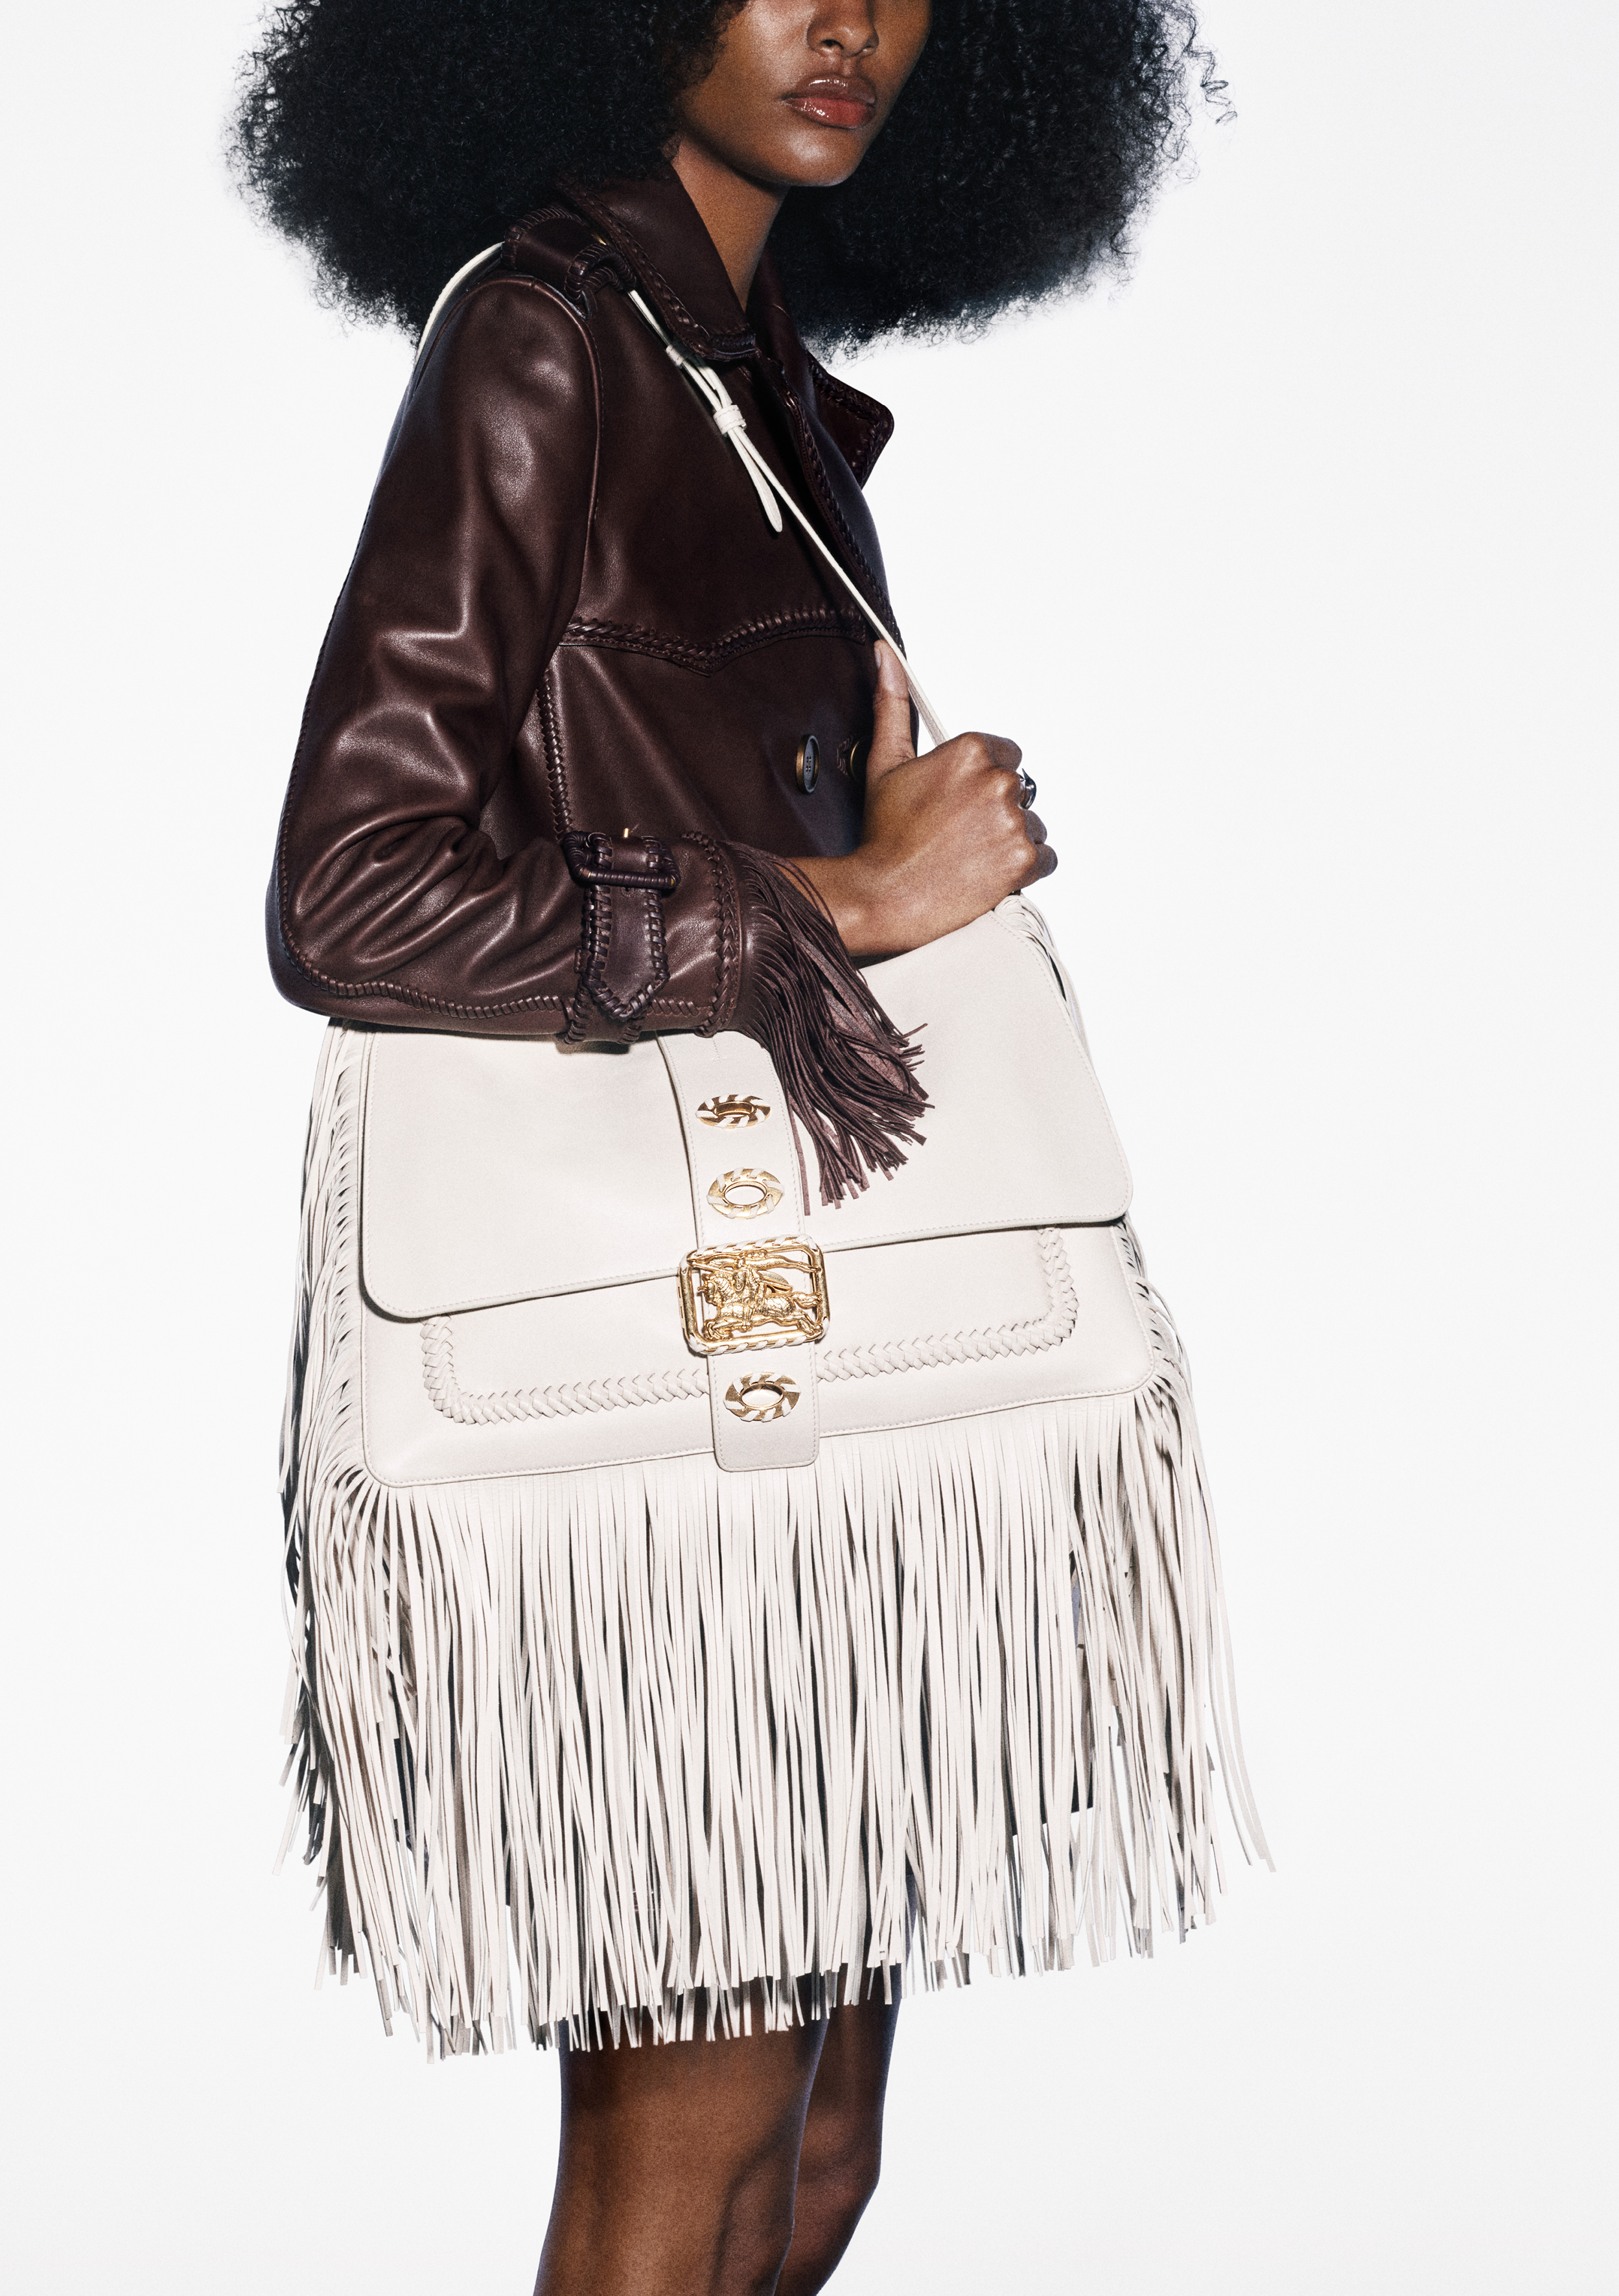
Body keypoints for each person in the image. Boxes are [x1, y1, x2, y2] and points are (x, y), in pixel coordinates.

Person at [237, 6, 1237, 2291]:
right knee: (691, 2157)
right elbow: (351, 892)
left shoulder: (747, 375)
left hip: (789, 1365)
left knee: (810, 2161)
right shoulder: (547, 335)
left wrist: (868, 844)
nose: (842, 20)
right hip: (669, 1411)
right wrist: (845, 898)